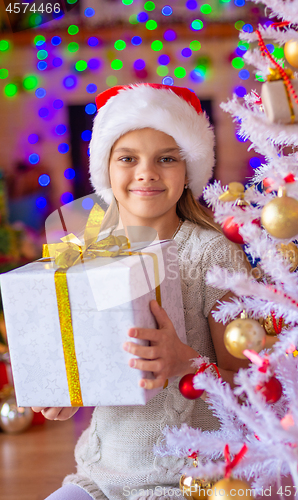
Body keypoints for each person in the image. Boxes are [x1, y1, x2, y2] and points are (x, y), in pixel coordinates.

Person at [32, 83, 250, 500]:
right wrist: (70, 391)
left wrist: (186, 362)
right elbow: (99, 360)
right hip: (101, 476)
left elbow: (250, 387)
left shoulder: (213, 256)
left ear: (189, 171)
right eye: (127, 158)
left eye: (166, 159)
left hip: (191, 481)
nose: (146, 172)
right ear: (107, 171)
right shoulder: (89, 253)